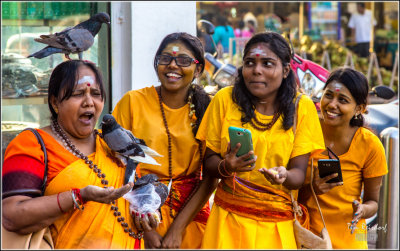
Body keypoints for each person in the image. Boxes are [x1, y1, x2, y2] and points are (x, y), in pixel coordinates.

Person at [2, 60, 158, 249]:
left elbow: (137, 200)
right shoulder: (31, 144)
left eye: (96, 94)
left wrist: (145, 216)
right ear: (55, 102)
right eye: (78, 94)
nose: (88, 102)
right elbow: (12, 216)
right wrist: (79, 196)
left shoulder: (114, 145)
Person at [196, 31, 325, 249]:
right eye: (250, 63)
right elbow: (208, 164)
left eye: (267, 63)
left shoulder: (302, 107)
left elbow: (299, 175)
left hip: (277, 228)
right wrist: (226, 166)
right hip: (228, 222)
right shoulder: (224, 99)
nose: (257, 70)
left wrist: (284, 175)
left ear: (285, 70)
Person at [112, 32, 217, 249]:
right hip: (135, 215)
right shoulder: (132, 102)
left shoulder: (208, 109)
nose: (173, 66)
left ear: (198, 69)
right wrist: (146, 230)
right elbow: (115, 167)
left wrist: (177, 231)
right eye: (165, 58)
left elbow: (211, 178)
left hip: (190, 218)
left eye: (184, 60)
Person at [298, 67, 388, 249]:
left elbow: (373, 202)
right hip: (307, 237)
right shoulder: (305, 131)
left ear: (359, 109)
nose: (332, 104)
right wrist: (313, 188)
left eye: (343, 100)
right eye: (328, 95)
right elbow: (290, 193)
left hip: (350, 240)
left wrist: (362, 210)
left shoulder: (369, 144)